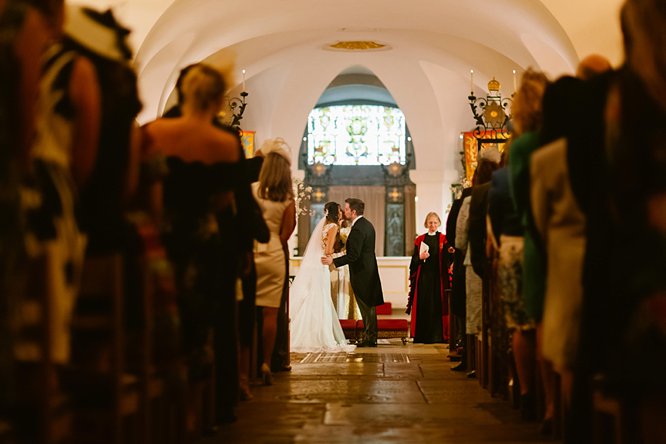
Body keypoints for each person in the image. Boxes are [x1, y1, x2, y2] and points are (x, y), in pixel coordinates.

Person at [141, 63, 243, 426]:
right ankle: (196, 412)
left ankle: (157, 414)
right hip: (204, 241)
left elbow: (141, 188)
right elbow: (222, 200)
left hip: (161, 241)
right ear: (217, 99)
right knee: (202, 328)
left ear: (184, 92)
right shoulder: (226, 143)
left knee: (158, 325)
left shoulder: (152, 132)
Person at [252, 138, 296, 385]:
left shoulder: (253, 191)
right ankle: (267, 361)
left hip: (254, 250)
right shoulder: (287, 198)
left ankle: (247, 367)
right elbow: (286, 233)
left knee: (250, 311)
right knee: (271, 312)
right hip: (275, 254)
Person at [289, 201, 356, 352]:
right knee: (321, 298)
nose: (341, 213)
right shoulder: (333, 227)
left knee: (314, 296)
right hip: (322, 265)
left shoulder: (325, 226)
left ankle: (309, 331)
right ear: (335, 212)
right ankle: (320, 334)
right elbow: (328, 250)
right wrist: (339, 254)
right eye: (339, 210)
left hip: (316, 263)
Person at [322, 198, 384, 347]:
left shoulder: (358, 228)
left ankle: (370, 338)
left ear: (354, 212)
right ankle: (370, 336)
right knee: (368, 306)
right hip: (368, 270)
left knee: (366, 306)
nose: (345, 211)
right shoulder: (366, 225)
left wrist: (334, 262)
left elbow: (353, 255)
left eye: (347, 209)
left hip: (362, 272)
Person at [406, 212, 450, 344]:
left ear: (439, 223)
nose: (433, 225)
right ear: (426, 224)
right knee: (424, 305)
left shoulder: (444, 239)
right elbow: (413, 261)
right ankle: (422, 336)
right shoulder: (420, 240)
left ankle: (438, 336)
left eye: (435, 222)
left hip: (439, 278)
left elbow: (448, 258)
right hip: (424, 278)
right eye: (430, 222)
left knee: (437, 306)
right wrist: (420, 258)